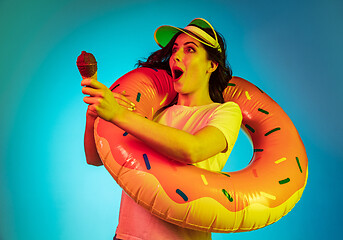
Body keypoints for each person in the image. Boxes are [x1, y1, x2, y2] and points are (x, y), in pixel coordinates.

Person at [81, 18, 242, 240]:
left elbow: (193, 149)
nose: (176, 56)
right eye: (175, 49)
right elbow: (95, 159)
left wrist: (118, 114)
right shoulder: (155, 113)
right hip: (126, 236)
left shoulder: (224, 113)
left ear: (211, 65)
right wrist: (94, 117)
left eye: (190, 50)